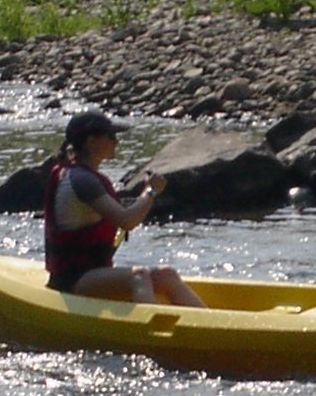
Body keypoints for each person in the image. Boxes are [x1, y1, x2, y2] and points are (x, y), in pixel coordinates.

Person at [44, 110, 205, 306]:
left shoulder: (83, 175)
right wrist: (151, 192)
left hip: (91, 272)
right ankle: (149, 333)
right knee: (139, 276)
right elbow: (127, 221)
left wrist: (145, 195)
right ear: (90, 141)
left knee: (167, 276)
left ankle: (211, 326)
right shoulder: (82, 180)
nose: (116, 142)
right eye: (110, 136)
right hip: (70, 279)